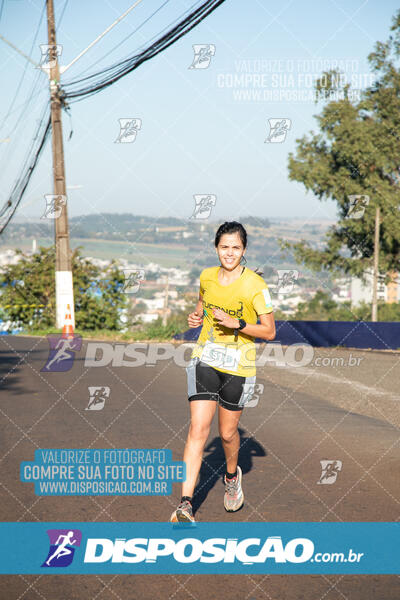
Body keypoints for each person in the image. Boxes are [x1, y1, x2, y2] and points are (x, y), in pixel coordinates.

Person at [170, 221, 276, 523]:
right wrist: (196, 316)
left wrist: (238, 324)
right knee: (197, 430)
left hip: (238, 366)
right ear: (216, 247)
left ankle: (231, 476)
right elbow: (203, 305)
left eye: (236, 248)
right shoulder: (206, 277)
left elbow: (269, 331)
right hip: (205, 358)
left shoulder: (255, 285)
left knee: (227, 433)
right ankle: (186, 504)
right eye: (224, 247)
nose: (229, 253)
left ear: (244, 250)